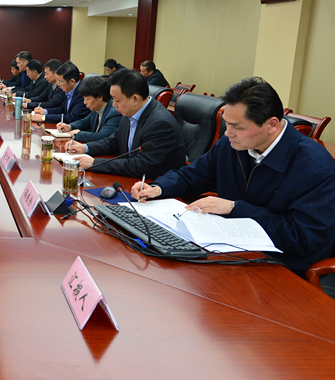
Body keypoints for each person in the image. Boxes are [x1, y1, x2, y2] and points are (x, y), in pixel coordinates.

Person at [131, 77, 335, 278]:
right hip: (230, 252)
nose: (228, 133)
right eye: (227, 124)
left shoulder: (315, 167)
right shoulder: (233, 145)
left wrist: (235, 208)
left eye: (237, 127)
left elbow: (302, 238)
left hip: (281, 269)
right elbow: (194, 175)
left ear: (272, 125)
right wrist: (158, 188)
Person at [66, 69, 185, 179]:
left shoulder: (160, 124)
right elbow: (113, 142)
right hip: (131, 179)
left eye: (117, 100)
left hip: (152, 186)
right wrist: (85, 148)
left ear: (135, 99)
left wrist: (94, 163)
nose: (113, 105)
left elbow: (141, 166)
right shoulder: (130, 112)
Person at [56, 75, 122, 142]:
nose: (84, 102)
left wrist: (78, 134)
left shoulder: (115, 113)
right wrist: (70, 127)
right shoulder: (96, 108)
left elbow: (101, 137)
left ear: (100, 97)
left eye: (87, 99)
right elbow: (84, 122)